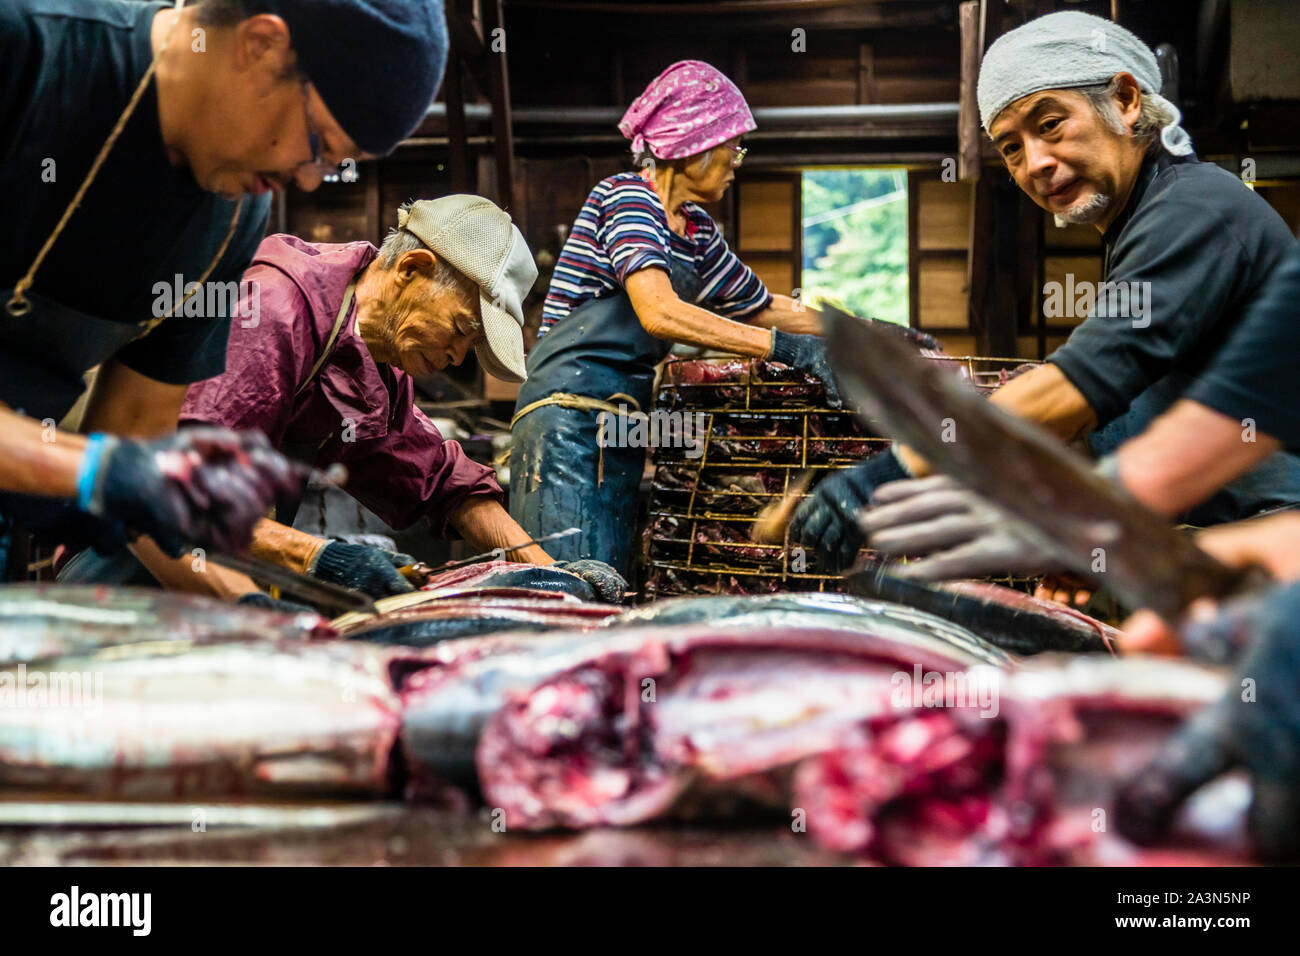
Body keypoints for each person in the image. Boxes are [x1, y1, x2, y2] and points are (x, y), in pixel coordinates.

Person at [791, 10, 1300, 572]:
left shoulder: (1194, 210)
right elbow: (1128, 403)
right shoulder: (1143, 220)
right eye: (1011, 148)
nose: (1036, 163)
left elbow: (1088, 381)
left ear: (1127, 101)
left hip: (1273, 545)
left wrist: (893, 470)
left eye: (1051, 124)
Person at [0, 0, 448, 571]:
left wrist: (280, 602)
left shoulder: (231, 220)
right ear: (259, 43)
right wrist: (92, 471)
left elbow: (134, 439)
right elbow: (119, 469)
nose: (309, 182)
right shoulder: (28, 50)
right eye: (319, 145)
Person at [63, 198, 626, 603]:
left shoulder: (374, 367)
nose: (458, 357)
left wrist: (552, 573)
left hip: (223, 578)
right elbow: (178, 490)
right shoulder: (278, 306)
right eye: (460, 330)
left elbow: (439, 480)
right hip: (130, 571)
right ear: (412, 268)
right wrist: (318, 558)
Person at [508, 60, 836, 578]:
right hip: (568, 418)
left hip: (621, 420)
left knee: (609, 575)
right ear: (693, 144)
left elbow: (764, 305)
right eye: (734, 147)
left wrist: (861, 336)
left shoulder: (697, 231)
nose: (737, 163)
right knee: (567, 584)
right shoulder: (628, 197)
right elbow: (658, 311)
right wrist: (783, 349)